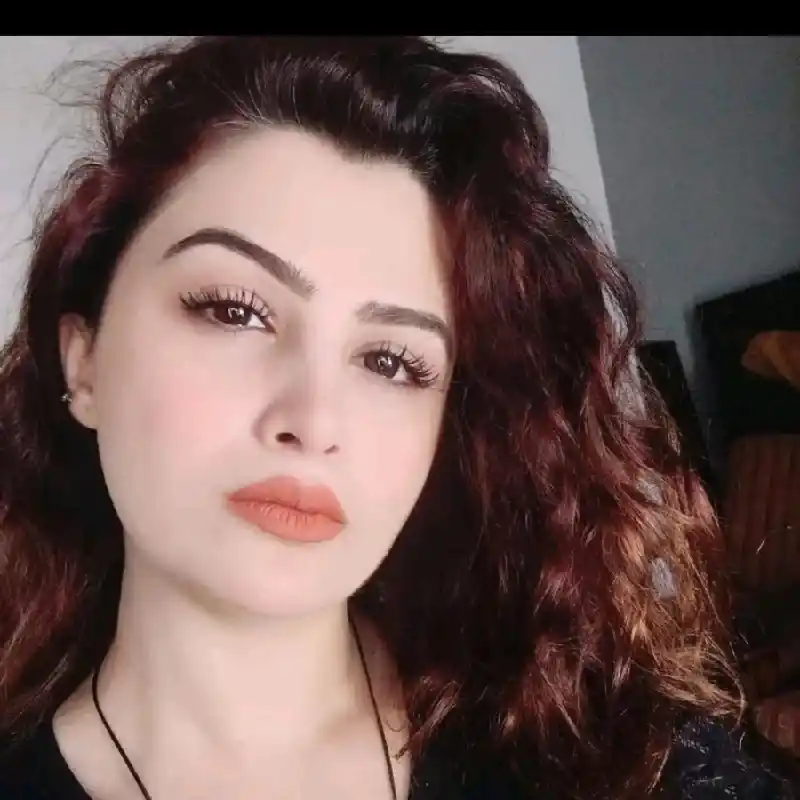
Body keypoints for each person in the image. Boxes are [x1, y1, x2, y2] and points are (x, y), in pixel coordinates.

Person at [0, 35, 793, 800]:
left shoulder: (618, 757)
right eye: (235, 310)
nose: (314, 420)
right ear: (84, 361)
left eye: (391, 361)